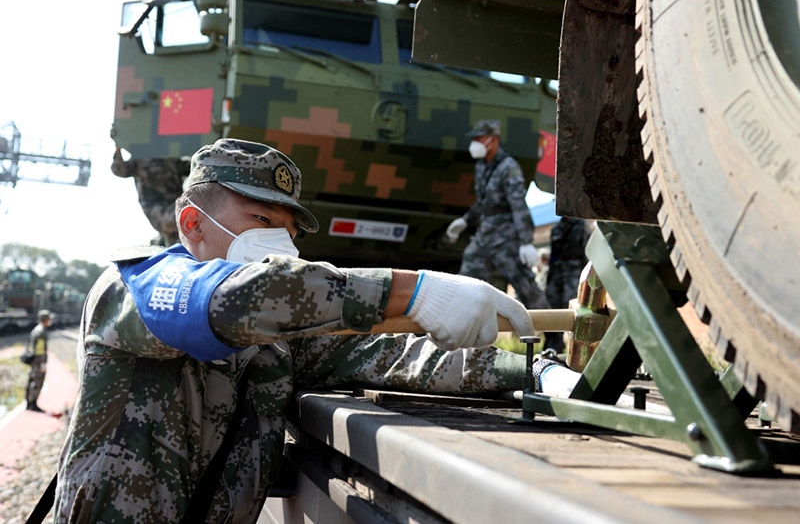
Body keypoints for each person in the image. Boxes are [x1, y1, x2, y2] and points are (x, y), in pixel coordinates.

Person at [55, 139, 544, 523]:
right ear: (192, 223)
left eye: (288, 230)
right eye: (262, 219)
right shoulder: (138, 286)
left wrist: (530, 370)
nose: (279, 242)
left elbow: (392, 357)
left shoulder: (277, 340)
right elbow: (237, 300)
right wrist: (416, 290)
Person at [446, 119, 549, 310]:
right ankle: (465, 333)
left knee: (526, 288)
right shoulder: (481, 167)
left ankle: (554, 336)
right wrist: (465, 220)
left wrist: (526, 241)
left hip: (506, 238)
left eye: (479, 138)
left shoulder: (508, 167)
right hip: (485, 234)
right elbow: (483, 203)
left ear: (492, 140)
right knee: (466, 280)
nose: (474, 143)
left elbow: (518, 203)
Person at [111, 146, 191, 246]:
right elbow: (119, 169)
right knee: (188, 216)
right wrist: (118, 146)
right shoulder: (141, 157)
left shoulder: (172, 158)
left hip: (176, 204)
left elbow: (192, 167)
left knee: (179, 247)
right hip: (156, 209)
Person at [544, 217, 592, 353]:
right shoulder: (557, 227)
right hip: (556, 272)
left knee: (574, 310)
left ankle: (579, 349)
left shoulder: (582, 226)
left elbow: (586, 254)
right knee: (552, 307)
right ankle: (554, 345)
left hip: (574, 273)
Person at [25, 310, 51, 412]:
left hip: (34, 361)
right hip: (38, 361)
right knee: (37, 381)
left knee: (31, 380)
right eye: (49, 318)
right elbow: (40, 350)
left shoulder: (36, 330)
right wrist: (42, 363)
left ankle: (28, 403)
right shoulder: (41, 332)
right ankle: (33, 404)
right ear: (45, 319)